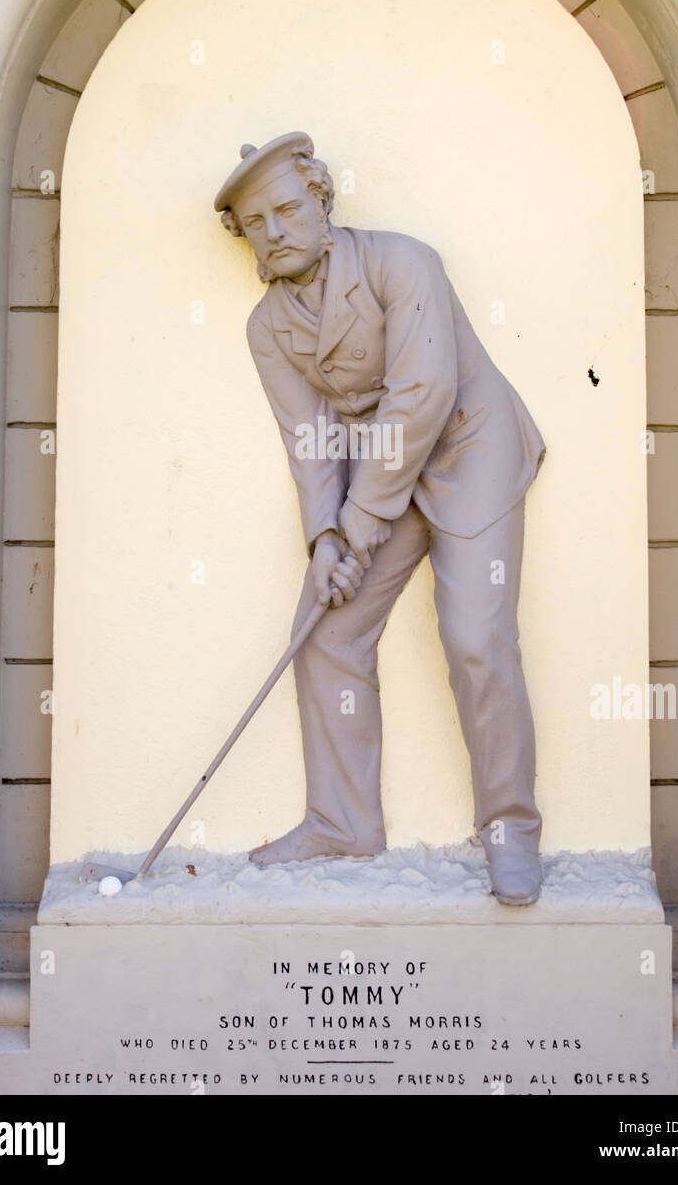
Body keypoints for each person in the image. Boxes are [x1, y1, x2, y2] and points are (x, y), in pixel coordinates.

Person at [215, 133, 547, 903]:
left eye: (288, 208)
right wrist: (326, 537)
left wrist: (360, 520)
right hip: (379, 476)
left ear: (323, 200)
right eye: (256, 221)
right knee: (325, 633)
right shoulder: (267, 328)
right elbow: (312, 441)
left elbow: (421, 396)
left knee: (476, 635)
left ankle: (510, 826)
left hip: (470, 449)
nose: (276, 230)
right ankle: (342, 819)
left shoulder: (405, 262)